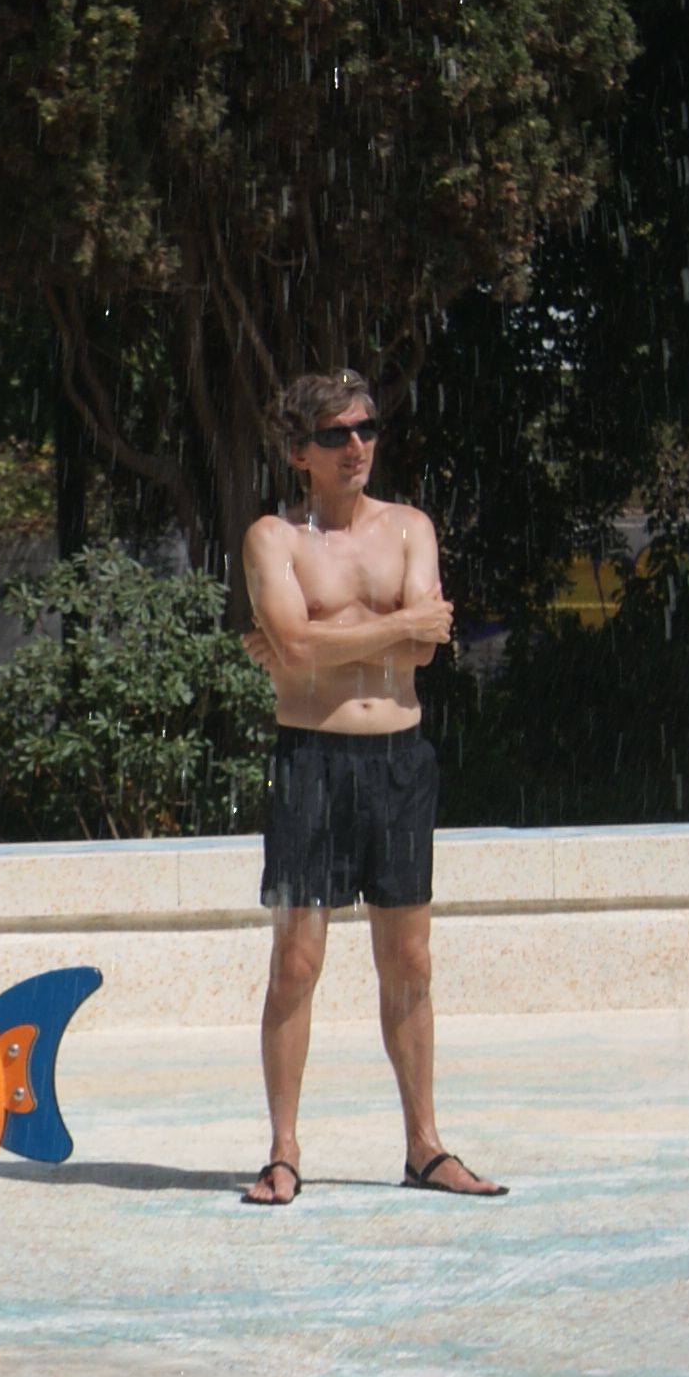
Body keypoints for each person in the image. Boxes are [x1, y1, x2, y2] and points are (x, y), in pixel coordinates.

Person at [236, 371, 501, 1204]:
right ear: (299, 452)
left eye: (366, 429)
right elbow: (313, 645)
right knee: (297, 960)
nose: (356, 446)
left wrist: (316, 641)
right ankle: (283, 1149)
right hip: (310, 759)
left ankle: (424, 1145)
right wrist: (370, 632)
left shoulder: (410, 527)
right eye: (335, 435)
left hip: (398, 761)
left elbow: (418, 653)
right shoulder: (273, 539)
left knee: (410, 959)